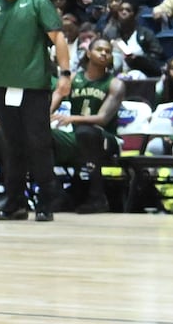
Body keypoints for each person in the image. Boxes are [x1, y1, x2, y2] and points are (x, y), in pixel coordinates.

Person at [0, 0, 71, 222]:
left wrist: (64, 73)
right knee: (11, 145)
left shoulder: (38, 2)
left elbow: (58, 38)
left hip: (34, 87)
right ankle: (15, 201)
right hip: (2, 86)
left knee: (38, 144)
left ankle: (46, 201)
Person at [49, 37, 125, 213]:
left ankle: (97, 197)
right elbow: (55, 99)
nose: (104, 53)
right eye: (100, 50)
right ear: (88, 53)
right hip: (76, 137)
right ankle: (57, 194)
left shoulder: (115, 84)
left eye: (108, 51)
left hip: (106, 138)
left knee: (86, 132)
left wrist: (72, 119)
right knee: (40, 136)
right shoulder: (74, 78)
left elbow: (102, 119)